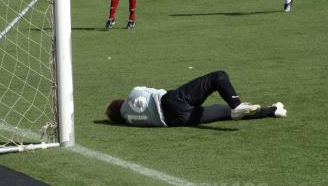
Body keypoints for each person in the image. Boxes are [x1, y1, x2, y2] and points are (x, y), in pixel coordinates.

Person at [106, 70, 287, 127]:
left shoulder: (130, 121)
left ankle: (273, 110)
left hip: (177, 120)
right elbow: (149, 90)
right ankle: (237, 103)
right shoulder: (132, 94)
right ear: (120, 102)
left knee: (228, 114)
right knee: (218, 77)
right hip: (171, 101)